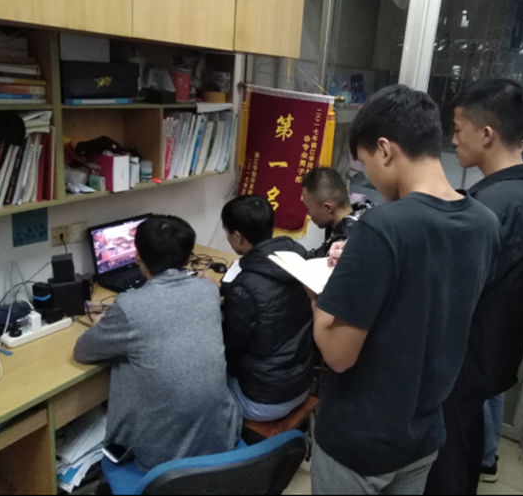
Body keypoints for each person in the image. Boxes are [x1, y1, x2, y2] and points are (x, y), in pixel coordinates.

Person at [308, 84, 501, 495]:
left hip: (360, 439)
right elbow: (427, 297)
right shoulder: (485, 224)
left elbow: (338, 355)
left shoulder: (383, 227)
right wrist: (360, 265)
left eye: (365, 164)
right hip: (423, 433)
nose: (371, 179)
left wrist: (318, 297)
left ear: (384, 150)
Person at [424, 79, 523, 495]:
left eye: (458, 129)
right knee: (464, 442)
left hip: (466, 356)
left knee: (449, 457)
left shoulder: (492, 206)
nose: (453, 139)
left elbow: (450, 287)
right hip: (492, 352)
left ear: (486, 134)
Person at [74, 215, 242, 471]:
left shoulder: (130, 306)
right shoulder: (208, 290)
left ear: (137, 257)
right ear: (187, 257)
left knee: (123, 362)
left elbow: (83, 351)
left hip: (163, 459)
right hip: (221, 434)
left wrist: (104, 323)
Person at [220, 195, 314, 422]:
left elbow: (228, 347)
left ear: (238, 236)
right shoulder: (298, 257)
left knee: (199, 385)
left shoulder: (245, 286)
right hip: (302, 383)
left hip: (264, 401)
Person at [301, 167, 373, 259]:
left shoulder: (344, 245)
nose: (308, 214)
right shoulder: (365, 211)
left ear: (328, 208)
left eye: (308, 208)